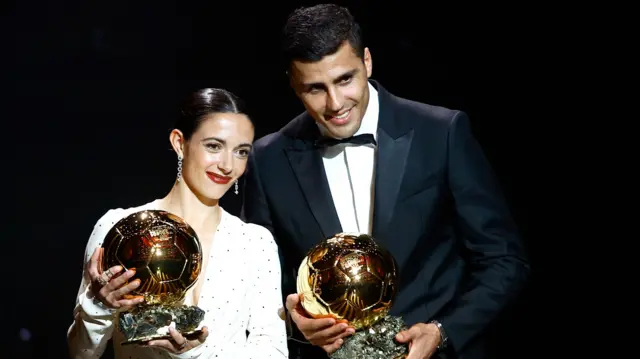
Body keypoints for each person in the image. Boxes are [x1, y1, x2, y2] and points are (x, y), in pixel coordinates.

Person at [241, 4, 530, 359]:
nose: (335, 103)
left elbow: (504, 260)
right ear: (293, 84)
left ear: (367, 62)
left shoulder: (441, 133)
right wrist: (292, 320)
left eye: (345, 79)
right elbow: (259, 287)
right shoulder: (268, 159)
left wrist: (442, 331)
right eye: (315, 88)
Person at [67, 88, 289, 359]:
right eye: (214, 146)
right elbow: (81, 354)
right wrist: (98, 307)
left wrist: (193, 354)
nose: (228, 165)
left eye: (241, 152)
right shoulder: (119, 227)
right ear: (179, 142)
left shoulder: (254, 243)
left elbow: (273, 351)